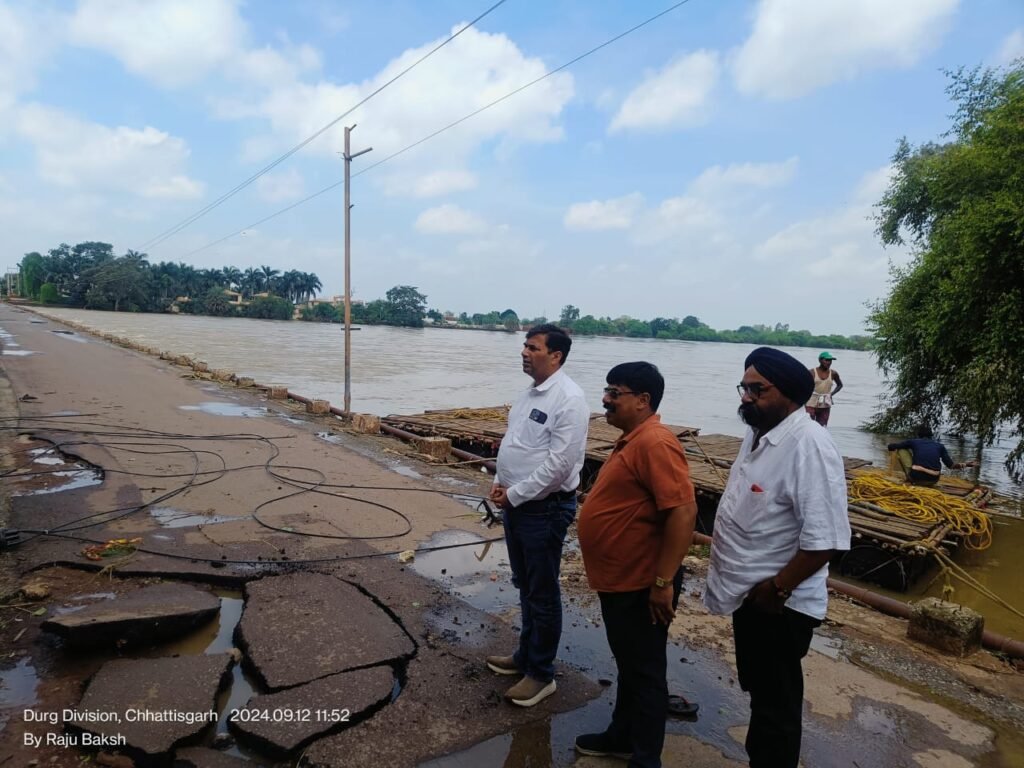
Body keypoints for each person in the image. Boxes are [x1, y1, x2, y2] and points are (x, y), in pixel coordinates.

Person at [704, 347, 850, 768]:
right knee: (762, 691)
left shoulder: (809, 445)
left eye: (758, 389)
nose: (746, 397)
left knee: (777, 706)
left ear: (788, 393)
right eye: (744, 387)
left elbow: (827, 538)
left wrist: (778, 589)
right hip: (752, 595)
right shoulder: (759, 433)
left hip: (779, 603)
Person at [575, 362, 698, 767]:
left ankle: (646, 759)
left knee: (645, 673)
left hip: (642, 582)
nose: (606, 399)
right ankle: (621, 736)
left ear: (643, 400)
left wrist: (662, 583)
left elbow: (683, 512)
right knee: (630, 665)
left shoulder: (656, 442)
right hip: (621, 579)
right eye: (607, 390)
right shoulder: (634, 439)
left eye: (615, 392)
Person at [486, 323, 590, 707]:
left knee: (542, 592)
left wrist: (515, 494)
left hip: (544, 509)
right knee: (525, 584)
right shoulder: (528, 394)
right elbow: (515, 445)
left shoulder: (569, 400)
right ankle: (525, 656)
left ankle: (541, 674)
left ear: (556, 356)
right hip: (517, 504)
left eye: (533, 348)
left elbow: (559, 466)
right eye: (525, 346)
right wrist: (500, 482)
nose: (524, 353)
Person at [887, 425, 976, 485]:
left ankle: (909, 478)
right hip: (933, 480)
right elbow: (951, 465)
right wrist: (967, 464)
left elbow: (893, 446)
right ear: (931, 435)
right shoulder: (940, 446)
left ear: (919, 435)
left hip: (916, 478)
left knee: (902, 449)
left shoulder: (914, 442)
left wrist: (891, 447)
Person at [805, 351, 843, 426]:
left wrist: (831, 394)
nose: (829, 362)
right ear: (820, 360)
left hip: (825, 403)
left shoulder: (833, 373)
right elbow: (803, 386)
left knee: (822, 426)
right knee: (809, 425)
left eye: (830, 360)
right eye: (826, 360)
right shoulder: (812, 372)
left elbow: (840, 385)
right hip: (811, 403)